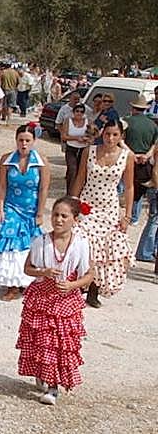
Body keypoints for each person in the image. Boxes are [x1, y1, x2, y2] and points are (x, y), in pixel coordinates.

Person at [15, 196, 95, 406]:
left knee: (59, 343)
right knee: (42, 340)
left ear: (74, 220)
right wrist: (44, 271)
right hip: (42, 298)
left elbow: (88, 274)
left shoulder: (80, 244)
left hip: (65, 300)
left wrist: (72, 285)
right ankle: (42, 373)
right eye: (56, 215)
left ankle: (53, 385)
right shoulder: (40, 242)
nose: (58, 220)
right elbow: (27, 268)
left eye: (64, 216)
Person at [0, 124, 50, 301]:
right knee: (11, 243)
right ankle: (12, 284)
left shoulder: (42, 162)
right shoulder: (6, 160)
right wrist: (1, 208)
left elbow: (43, 189)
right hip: (11, 206)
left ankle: (26, 281)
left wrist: (40, 213)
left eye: (27, 140)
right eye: (20, 140)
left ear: (34, 141)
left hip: (31, 209)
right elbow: (2, 186)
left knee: (28, 246)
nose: (24, 144)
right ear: (16, 141)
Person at [71, 117, 133, 307]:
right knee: (81, 244)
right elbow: (80, 177)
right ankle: (77, 286)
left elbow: (129, 186)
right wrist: (72, 204)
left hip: (109, 208)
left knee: (104, 250)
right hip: (87, 205)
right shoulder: (89, 152)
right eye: (107, 134)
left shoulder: (126, 156)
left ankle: (94, 290)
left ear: (121, 136)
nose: (110, 138)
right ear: (102, 134)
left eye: (115, 135)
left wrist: (127, 215)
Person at [123, 97, 158, 223]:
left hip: (127, 158)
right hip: (145, 161)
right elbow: (155, 144)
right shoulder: (153, 125)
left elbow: (120, 141)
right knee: (139, 189)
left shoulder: (126, 121)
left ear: (133, 108)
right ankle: (134, 217)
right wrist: (146, 156)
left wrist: (132, 154)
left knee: (125, 186)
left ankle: (124, 214)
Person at [59, 103, 91, 195]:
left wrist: (87, 139)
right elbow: (64, 136)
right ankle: (69, 193)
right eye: (77, 111)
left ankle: (80, 192)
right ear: (73, 112)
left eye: (81, 112)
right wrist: (77, 138)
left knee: (81, 171)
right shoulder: (68, 121)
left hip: (83, 149)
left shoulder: (87, 122)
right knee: (72, 170)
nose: (79, 113)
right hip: (71, 148)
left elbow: (92, 134)